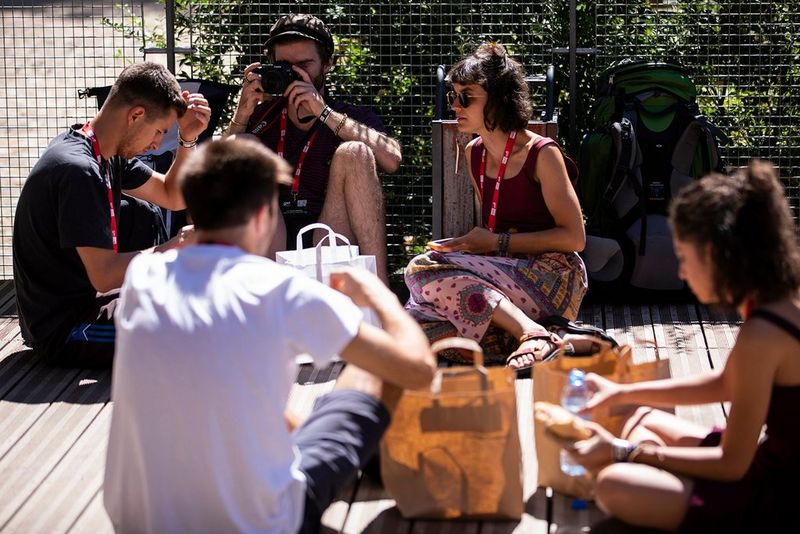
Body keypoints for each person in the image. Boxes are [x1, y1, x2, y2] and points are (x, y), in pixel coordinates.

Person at [103, 137, 436, 533]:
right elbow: (418, 369)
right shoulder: (280, 289)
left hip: (141, 524)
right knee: (373, 371)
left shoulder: (145, 277)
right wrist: (378, 293)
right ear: (264, 216)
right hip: (262, 524)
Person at [557, 160, 800, 531]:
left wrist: (625, 452)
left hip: (774, 497)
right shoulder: (776, 304)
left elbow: (732, 465)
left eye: (684, 258)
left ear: (719, 257)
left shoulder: (763, 332)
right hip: (764, 461)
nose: (681, 272)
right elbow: (726, 384)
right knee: (637, 416)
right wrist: (621, 392)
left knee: (614, 484)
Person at [12, 62, 210, 368]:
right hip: (64, 328)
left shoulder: (104, 151)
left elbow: (173, 196)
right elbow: (104, 276)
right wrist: (171, 248)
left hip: (92, 302)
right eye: (159, 132)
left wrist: (188, 139)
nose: (157, 143)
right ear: (135, 116)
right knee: (195, 330)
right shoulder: (78, 170)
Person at [404, 43, 587, 373]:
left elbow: (575, 239)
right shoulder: (474, 152)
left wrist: (495, 243)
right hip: (506, 276)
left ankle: (530, 331)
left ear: (499, 98)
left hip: (554, 276)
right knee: (414, 321)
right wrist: (468, 246)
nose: (456, 105)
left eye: (466, 97)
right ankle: (556, 338)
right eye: (453, 96)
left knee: (420, 268)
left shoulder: (542, 153)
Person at [224, 13, 401, 284]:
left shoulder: (346, 115)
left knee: (354, 151)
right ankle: (255, 297)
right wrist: (241, 116)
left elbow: (392, 159)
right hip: (272, 240)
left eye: (304, 64)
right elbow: (214, 173)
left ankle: (381, 292)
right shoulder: (261, 117)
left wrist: (324, 112)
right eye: (285, 65)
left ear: (327, 63)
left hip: (329, 239)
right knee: (242, 145)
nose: (296, 74)